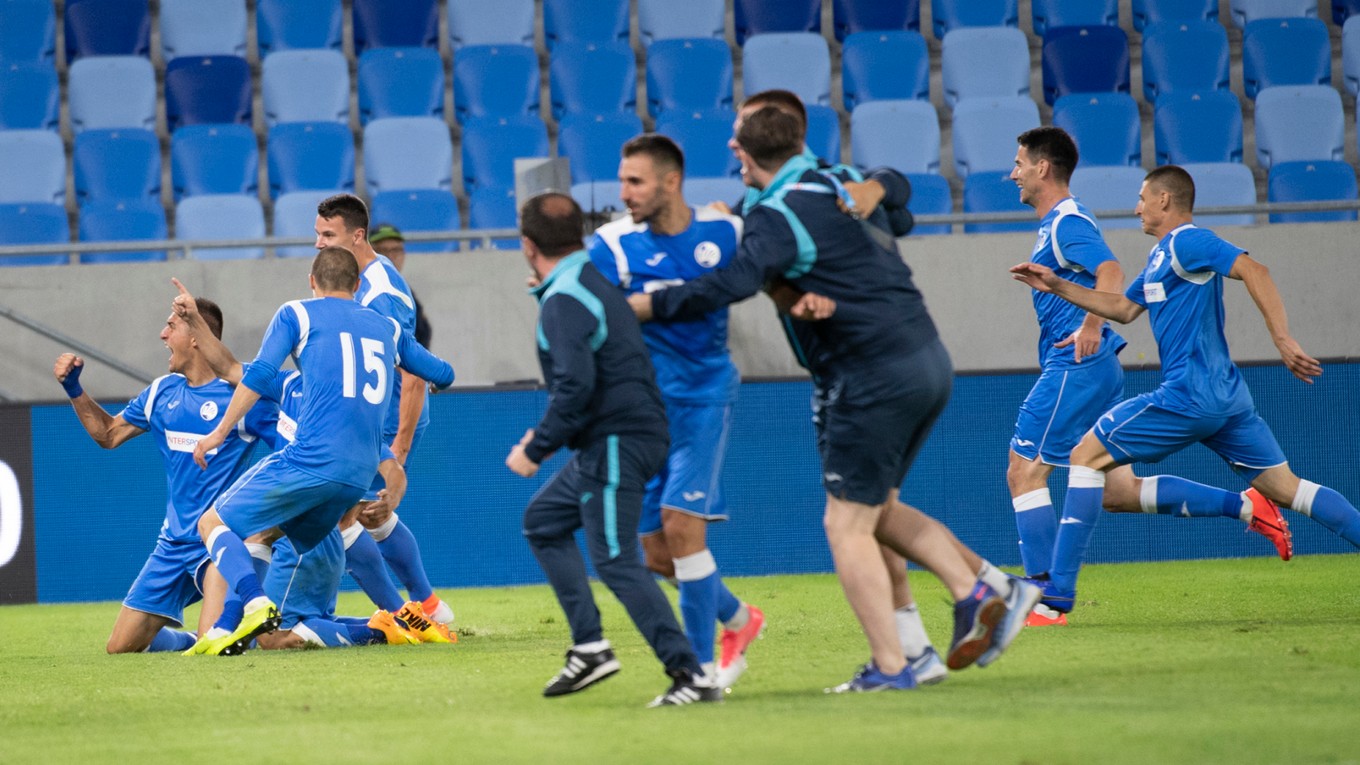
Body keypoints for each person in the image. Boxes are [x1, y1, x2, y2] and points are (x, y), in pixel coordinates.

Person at [630, 106, 1042, 692]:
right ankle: (973, 603)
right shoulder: (834, 179)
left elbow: (733, 282)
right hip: (924, 355)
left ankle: (901, 657)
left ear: (742, 154)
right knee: (877, 513)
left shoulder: (774, 213)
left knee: (845, 524)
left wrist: (648, 304)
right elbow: (897, 208)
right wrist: (877, 187)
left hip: (867, 371)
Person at [1010, 165, 1360, 613]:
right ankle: (1259, 508)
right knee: (1288, 490)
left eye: (1141, 198)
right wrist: (1059, 285)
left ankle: (1056, 588)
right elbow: (1122, 308)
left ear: (1163, 201)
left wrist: (1282, 339)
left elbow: (1256, 270)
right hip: (1228, 400)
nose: (1135, 207)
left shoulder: (1188, 241)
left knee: (1083, 456)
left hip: (1188, 395)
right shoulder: (1160, 257)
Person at [184, 246, 455, 655]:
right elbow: (443, 373)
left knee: (212, 523)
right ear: (358, 285)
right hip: (356, 476)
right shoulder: (386, 328)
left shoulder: (297, 315)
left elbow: (255, 373)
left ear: (312, 282)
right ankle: (398, 615)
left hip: (309, 466)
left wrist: (219, 432)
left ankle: (249, 610)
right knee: (289, 529)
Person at [507, 191, 718, 707]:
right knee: (544, 521)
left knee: (617, 558)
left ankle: (690, 673)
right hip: (622, 438)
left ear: (528, 245)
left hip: (617, 440)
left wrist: (536, 446)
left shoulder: (566, 298)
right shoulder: (587, 282)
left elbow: (574, 388)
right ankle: (591, 647)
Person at [586, 134, 765, 691]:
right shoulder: (612, 245)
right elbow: (584, 310)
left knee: (681, 528)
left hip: (704, 397)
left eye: (635, 181)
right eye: (621, 181)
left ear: (671, 182)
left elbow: (776, 266)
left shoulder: (725, 233)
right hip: (643, 410)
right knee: (655, 555)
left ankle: (699, 673)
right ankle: (739, 618)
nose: (625, 192)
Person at [52, 299, 275, 654]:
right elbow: (108, 434)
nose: (162, 334)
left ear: (197, 338)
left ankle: (251, 627)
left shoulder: (241, 396)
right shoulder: (161, 392)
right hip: (172, 545)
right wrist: (75, 390)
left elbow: (291, 452)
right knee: (120, 647)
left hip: (219, 543)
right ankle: (186, 639)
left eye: (172, 326)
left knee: (214, 646)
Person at [314, 196, 454, 627]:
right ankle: (427, 606)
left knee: (339, 516)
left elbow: (413, 374)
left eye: (328, 235)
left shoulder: (382, 293)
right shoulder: (364, 280)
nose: (319, 244)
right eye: (317, 235)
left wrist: (399, 454)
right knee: (370, 516)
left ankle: (406, 616)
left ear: (357, 236)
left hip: (384, 419)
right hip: (371, 417)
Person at [368, 223, 433, 348]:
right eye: (383, 250)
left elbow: (422, 335)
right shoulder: (359, 290)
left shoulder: (406, 292)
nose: (391, 256)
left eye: (396, 250)